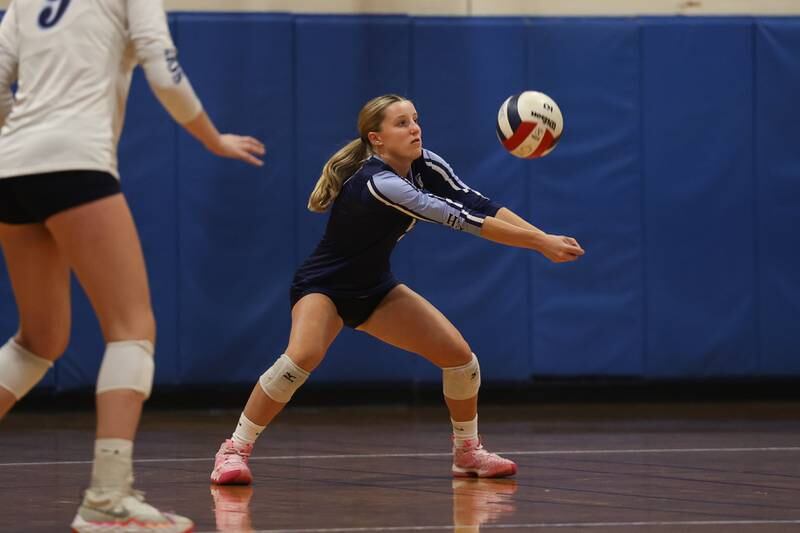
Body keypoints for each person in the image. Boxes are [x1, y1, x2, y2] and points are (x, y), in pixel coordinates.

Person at [209, 94, 584, 485]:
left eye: (415, 119)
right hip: (324, 287)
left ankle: (467, 452)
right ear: (377, 138)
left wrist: (544, 237)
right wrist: (540, 244)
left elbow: (478, 203)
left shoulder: (426, 164)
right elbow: (463, 219)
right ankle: (233, 450)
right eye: (402, 123)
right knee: (301, 357)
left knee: (460, 360)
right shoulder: (380, 183)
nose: (415, 128)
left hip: (375, 288)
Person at [0, 1, 265, 531]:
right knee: (131, 329)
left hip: (11, 165)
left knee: (39, 341)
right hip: (76, 159)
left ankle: (108, 496)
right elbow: (163, 71)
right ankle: (107, 497)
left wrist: (25, 140)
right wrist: (212, 138)